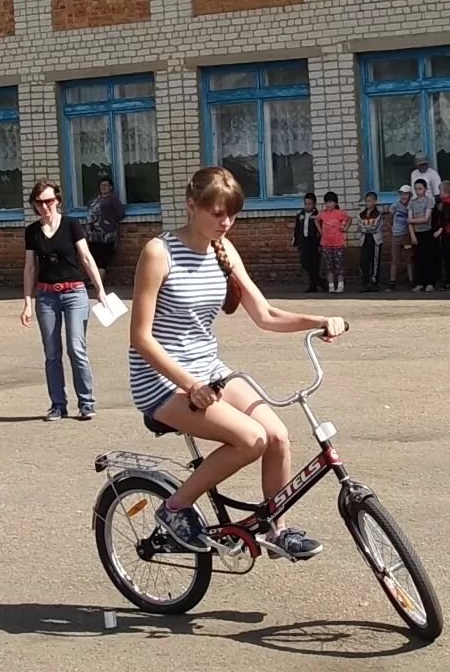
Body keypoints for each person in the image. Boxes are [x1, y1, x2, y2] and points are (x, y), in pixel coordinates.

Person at [129, 166, 350, 556]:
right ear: (191, 206)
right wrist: (189, 385)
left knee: (278, 436)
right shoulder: (158, 252)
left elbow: (264, 315)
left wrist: (320, 321)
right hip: (162, 379)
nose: (225, 222)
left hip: (209, 369)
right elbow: (141, 337)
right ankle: (174, 508)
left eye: (231, 213)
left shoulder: (224, 250)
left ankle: (277, 531)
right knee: (251, 439)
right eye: (216, 212)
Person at [20, 180, 111, 421]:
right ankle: (58, 405)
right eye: (39, 202)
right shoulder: (32, 231)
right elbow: (30, 268)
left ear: (57, 200)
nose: (44, 206)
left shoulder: (71, 225)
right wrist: (28, 302)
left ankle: (86, 403)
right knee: (51, 352)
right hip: (46, 296)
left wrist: (100, 290)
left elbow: (86, 257)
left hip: (74, 293)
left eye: (49, 201)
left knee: (76, 347)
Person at [85, 177, 125, 277]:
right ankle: (94, 280)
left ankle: (100, 282)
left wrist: (108, 222)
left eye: (106, 185)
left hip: (106, 235)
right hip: (93, 235)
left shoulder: (112, 199)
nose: (103, 187)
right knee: (94, 257)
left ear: (110, 187)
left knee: (103, 258)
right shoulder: (95, 199)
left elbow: (120, 213)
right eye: (102, 185)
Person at [407, 179, 437, 292]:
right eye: (416, 189)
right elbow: (409, 220)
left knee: (429, 258)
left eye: (420, 189)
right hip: (416, 233)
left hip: (427, 233)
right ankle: (419, 283)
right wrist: (412, 235)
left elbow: (426, 218)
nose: (418, 191)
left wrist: (413, 220)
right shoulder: (412, 202)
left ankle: (430, 282)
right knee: (418, 259)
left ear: (425, 189)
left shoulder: (429, 201)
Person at [317, 192, 350, 294]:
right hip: (326, 243)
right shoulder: (322, 213)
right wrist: (320, 231)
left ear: (335, 203)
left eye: (330, 202)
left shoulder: (339, 213)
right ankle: (331, 285)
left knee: (339, 265)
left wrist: (345, 228)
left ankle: (340, 285)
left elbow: (349, 219)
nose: (328, 204)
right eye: (326, 202)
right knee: (328, 265)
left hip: (338, 243)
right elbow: (316, 220)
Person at [291, 192, 322, 293]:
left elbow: (320, 230)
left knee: (314, 264)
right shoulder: (300, 215)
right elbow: (297, 229)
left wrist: (321, 243)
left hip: (314, 242)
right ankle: (320, 281)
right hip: (303, 242)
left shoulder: (317, 216)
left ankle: (313, 286)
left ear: (314, 204)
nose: (307, 206)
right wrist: (296, 241)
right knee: (304, 262)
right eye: (306, 204)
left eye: (310, 204)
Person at [356, 192, 385, 293]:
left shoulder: (378, 214)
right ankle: (365, 283)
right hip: (364, 241)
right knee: (363, 262)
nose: (367, 203)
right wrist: (367, 228)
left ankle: (374, 283)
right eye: (366, 201)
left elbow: (376, 228)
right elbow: (359, 227)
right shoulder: (361, 214)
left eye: (369, 201)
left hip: (375, 241)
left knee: (375, 262)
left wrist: (365, 228)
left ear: (375, 202)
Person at [388, 185, 413, 291]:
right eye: (402, 194)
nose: (403, 196)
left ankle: (411, 281)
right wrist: (392, 232)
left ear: (410, 195)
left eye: (406, 194)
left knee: (409, 259)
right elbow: (389, 220)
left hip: (407, 236)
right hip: (396, 235)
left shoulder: (412, 206)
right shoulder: (395, 206)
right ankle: (392, 282)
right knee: (394, 259)